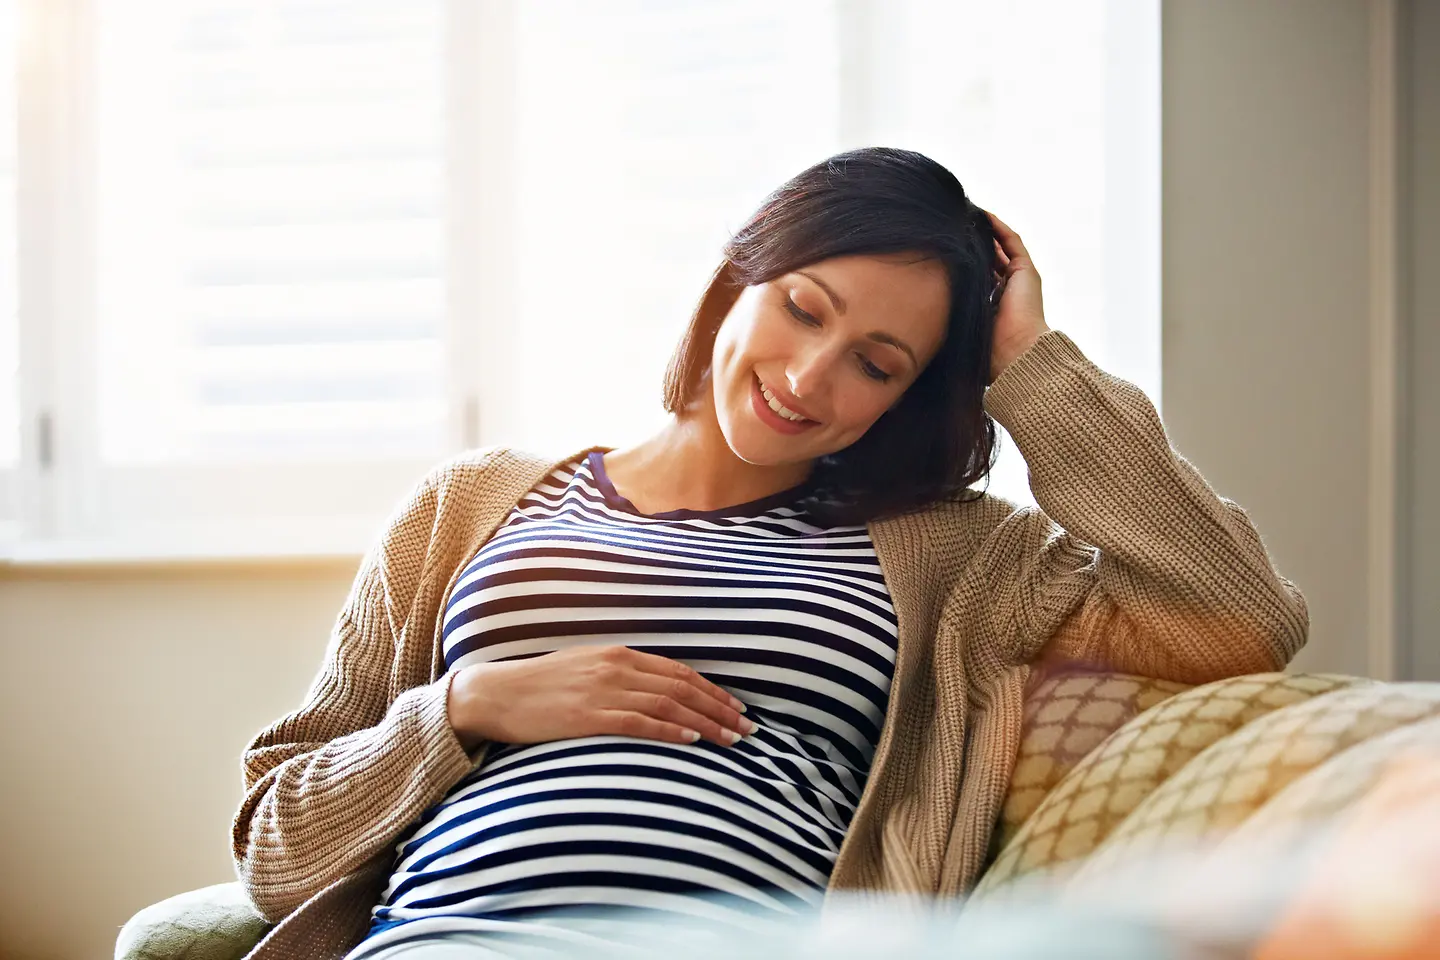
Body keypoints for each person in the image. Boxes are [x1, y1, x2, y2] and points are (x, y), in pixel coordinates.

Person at [229, 147, 1309, 960]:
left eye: (876, 363)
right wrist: (466, 705)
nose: (809, 376)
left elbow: (1240, 618)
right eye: (802, 309)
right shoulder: (470, 505)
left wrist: (1030, 365)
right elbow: (275, 848)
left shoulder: (959, 557)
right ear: (738, 276)